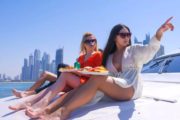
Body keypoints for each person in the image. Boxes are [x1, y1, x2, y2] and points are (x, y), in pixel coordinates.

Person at [30, 17, 174, 120]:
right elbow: (103, 73)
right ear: (114, 37)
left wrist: (159, 33)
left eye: (128, 35)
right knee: (86, 84)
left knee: (96, 79)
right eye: (123, 34)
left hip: (131, 87)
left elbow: (151, 49)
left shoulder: (134, 49)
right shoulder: (109, 56)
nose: (127, 37)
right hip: (117, 87)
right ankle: (48, 109)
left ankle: (64, 112)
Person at [9, 32, 103, 112]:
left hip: (88, 84)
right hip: (78, 81)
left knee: (64, 75)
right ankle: (28, 102)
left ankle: (43, 102)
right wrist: (77, 71)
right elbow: (77, 70)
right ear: (84, 44)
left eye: (93, 40)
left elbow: (101, 72)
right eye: (88, 41)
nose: (91, 43)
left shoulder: (98, 54)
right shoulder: (81, 57)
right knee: (53, 86)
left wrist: (88, 70)